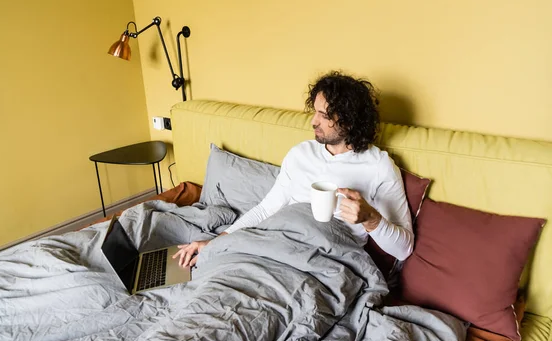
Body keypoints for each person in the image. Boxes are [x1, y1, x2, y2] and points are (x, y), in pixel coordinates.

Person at [173, 71, 413, 267]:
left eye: (323, 114)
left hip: (325, 259)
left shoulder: (378, 167)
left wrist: (371, 219)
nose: (313, 121)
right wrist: (216, 242)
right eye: (314, 111)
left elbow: (403, 249)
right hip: (276, 247)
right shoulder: (301, 154)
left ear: (349, 120)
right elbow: (266, 209)